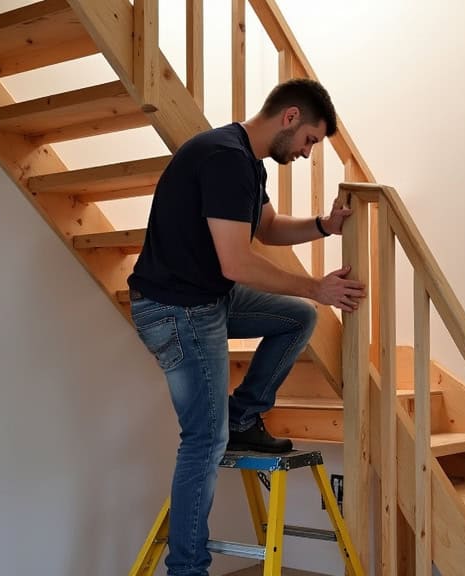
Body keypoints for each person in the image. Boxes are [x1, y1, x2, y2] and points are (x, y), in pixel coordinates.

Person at [128, 78, 366, 576]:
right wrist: (315, 285)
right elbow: (236, 262)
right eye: (310, 141)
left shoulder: (245, 162)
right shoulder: (224, 158)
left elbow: (268, 229)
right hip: (177, 310)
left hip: (203, 298)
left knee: (297, 316)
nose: (306, 152)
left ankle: (243, 417)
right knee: (202, 441)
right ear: (291, 117)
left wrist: (324, 225)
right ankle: (186, 568)